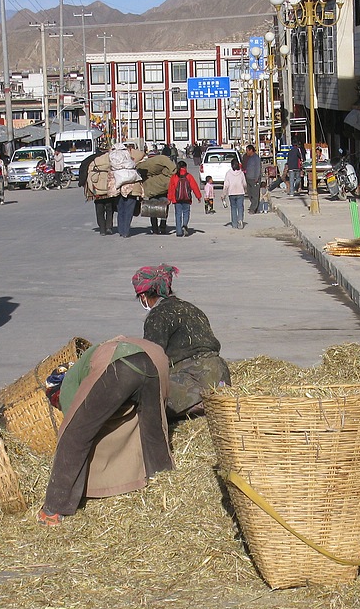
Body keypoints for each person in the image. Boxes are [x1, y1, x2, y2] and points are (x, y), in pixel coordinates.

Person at [36, 336, 173, 526]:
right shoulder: (89, 363)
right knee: (153, 429)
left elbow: (76, 430)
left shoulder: (67, 386)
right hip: (157, 358)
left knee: (75, 434)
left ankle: (54, 509)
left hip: (122, 365)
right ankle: (166, 484)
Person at [133, 264, 231, 419]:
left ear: (144, 296)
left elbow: (152, 360)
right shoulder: (192, 309)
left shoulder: (158, 315)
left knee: (140, 402)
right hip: (221, 378)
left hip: (194, 384)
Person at [167, 160, 202, 237]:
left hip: (177, 199)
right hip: (187, 199)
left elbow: (171, 189)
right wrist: (198, 196)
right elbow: (194, 187)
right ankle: (185, 224)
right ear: (185, 167)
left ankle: (179, 232)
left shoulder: (174, 177)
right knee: (186, 212)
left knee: (178, 214)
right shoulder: (189, 176)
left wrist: (169, 199)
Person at [223, 161, 248, 229]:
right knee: (240, 207)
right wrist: (245, 190)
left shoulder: (228, 173)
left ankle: (234, 224)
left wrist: (224, 195)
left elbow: (226, 185)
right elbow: (244, 183)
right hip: (240, 192)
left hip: (231, 193)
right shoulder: (241, 173)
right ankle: (240, 220)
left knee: (233, 208)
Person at [242, 144, 262, 214]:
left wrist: (256, 177)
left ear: (251, 150)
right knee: (250, 194)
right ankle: (256, 207)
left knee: (255, 194)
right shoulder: (249, 158)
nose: (246, 152)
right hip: (249, 178)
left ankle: (253, 209)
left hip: (254, 179)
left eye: (247, 150)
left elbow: (258, 168)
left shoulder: (256, 158)